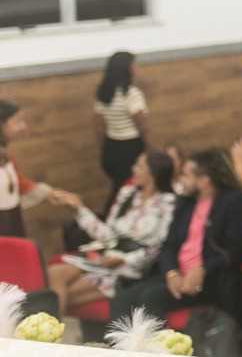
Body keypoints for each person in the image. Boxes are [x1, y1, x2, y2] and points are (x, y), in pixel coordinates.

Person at [110, 148, 242, 324]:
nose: (180, 179)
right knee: (124, 297)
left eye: (186, 175)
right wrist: (171, 273)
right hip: (178, 274)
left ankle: (154, 350)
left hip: (210, 278)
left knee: (151, 297)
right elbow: (169, 245)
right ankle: (122, 349)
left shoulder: (233, 202)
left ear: (204, 180)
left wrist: (203, 270)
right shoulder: (187, 202)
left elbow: (236, 250)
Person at [46, 150, 177, 312]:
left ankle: (49, 331)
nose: (133, 169)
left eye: (139, 166)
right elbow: (108, 235)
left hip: (131, 268)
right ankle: (50, 329)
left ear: (152, 173)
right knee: (54, 274)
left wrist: (124, 260)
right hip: (107, 259)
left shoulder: (169, 204)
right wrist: (78, 209)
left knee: (59, 296)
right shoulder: (127, 195)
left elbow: (160, 247)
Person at [93, 51, 149, 214]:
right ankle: (111, 219)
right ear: (127, 69)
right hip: (129, 148)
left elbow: (97, 124)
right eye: (134, 65)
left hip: (111, 148)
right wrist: (147, 145)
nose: (137, 68)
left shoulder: (104, 93)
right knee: (125, 190)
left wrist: (103, 145)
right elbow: (141, 123)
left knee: (120, 187)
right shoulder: (132, 94)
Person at [0, 101, 55, 238]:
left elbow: (18, 182)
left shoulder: (5, 156)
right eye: (17, 122)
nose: (23, 127)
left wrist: (50, 193)